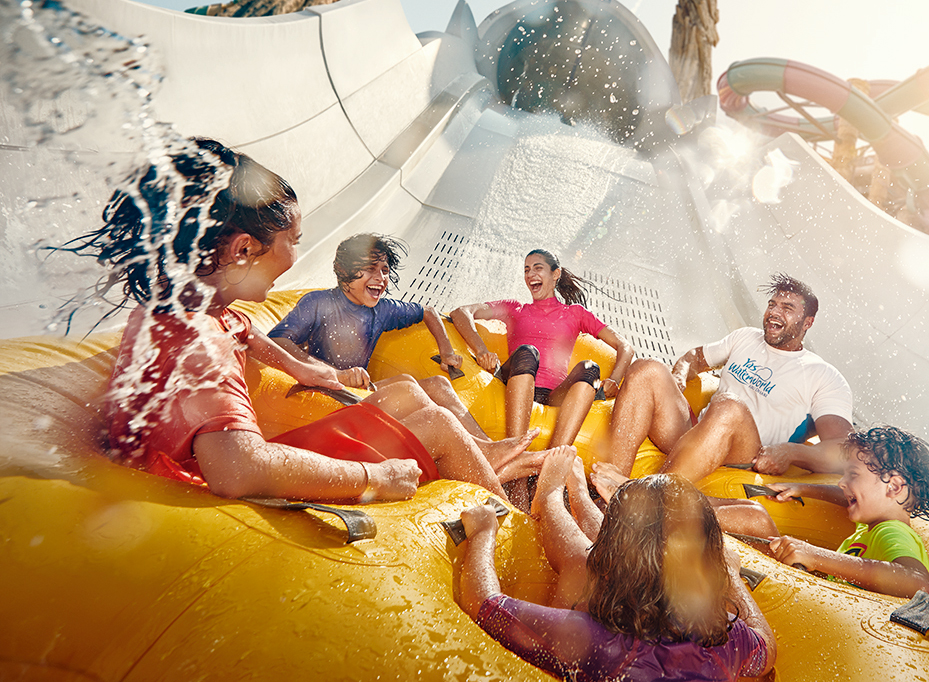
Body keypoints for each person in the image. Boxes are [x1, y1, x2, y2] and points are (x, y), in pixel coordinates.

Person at [66, 137, 514, 503]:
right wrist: (374, 476)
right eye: (293, 239)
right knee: (437, 424)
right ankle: (517, 538)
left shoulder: (180, 309)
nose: (296, 256)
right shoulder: (205, 347)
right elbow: (238, 469)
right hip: (199, 488)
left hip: (179, 462)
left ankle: (487, 456)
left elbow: (247, 330)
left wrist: (304, 368)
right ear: (243, 250)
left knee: (404, 394)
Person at [455, 447, 776, 682]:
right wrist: (732, 575)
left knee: (581, 564)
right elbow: (767, 646)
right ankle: (577, 497)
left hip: (605, 648)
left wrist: (484, 532)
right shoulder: (724, 645)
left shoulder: (599, 642)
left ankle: (553, 496)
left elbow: (484, 604)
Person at [267, 233, 531, 470]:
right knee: (406, 385)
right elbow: (278, 341)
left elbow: (428, 311)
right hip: (325, 395)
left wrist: (447, 350)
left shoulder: (381, 310)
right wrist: (337, 374)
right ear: (343, 269)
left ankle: (485, 449)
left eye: (385, 270)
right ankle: (479, 450)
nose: (381, 278)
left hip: (359, 392)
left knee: (439, 384)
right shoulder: (319, 303)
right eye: (370, 269)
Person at [592, 274, 852, 490]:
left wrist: (791, 453)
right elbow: (694, 357)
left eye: (787, 308)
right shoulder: (746, 337)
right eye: (772, 304)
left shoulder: (823, 375)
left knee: (728, 406)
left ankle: (646, 496)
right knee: (646, 367)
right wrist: (680, 375)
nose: (774, 312)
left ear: (808, 322)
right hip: (696, 433)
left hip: (746, 453)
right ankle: (611, 485)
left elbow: (842, 449)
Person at [450, 249, 634, 449]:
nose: (530, 275)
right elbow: (461, 312)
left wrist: (614, 380)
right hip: (512, 382)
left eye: (538, 268)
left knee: (590, 367)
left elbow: (625, 347)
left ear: (556, 274)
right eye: (527, 270)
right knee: (528, 352)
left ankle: (551, 463)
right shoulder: (514, 309)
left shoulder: (575, 314)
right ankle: (514, 453)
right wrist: (481, 350)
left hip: (554, 395)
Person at [763, 426, 929, 598]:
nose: (842, 482)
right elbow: (849, 495)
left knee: (756, 518)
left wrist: (814, 556)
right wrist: (804, 489)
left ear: (893, 487)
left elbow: (919, 584)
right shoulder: (870, 524)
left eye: (853, 474)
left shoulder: (890, 532)